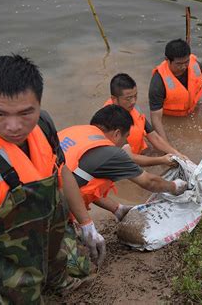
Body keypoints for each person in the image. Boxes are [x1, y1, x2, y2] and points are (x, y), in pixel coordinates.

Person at [0, 55, 88, 303]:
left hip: (48, 240)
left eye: (26, 112)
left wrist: (87, 223)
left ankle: (57, 278)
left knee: (82, 265)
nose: (14, 126)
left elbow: (62, 170)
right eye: (0, 114)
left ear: (39, 104)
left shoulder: (44, 125)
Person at [58, 104, 187, 275]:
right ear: (117, 133)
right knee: (82, 269)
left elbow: (81, 185)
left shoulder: (77, 132)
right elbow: (149, 182)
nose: (124, 143)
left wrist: (116, 209)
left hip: (31, 195)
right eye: (125, 138)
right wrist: (175, 186)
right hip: (47, 214)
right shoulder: (110, 153)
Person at [105, 73, 186, 167]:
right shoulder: (109, 120)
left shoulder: (134, 109)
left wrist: (176, 154)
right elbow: (129, 158)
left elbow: (153, 136)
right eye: (128, 98)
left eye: (135, 96)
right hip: (124, 163)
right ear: (114, 99)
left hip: (140, 153)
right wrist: (161, 160)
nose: (133, 101)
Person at [148, 38, 202, 141]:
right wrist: (166, 145)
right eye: (179, 64)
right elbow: (156, 119)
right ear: (167, 60)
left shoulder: (195, 65)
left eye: (186, 62)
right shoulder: (158, 82)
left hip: (193, 109)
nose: (184, 66)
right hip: (171, 118)